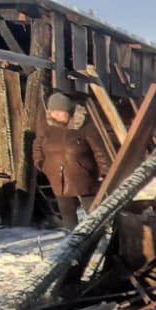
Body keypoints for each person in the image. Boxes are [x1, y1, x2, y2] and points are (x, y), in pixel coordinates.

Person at [32, 91, 99, 229]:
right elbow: (37, 147)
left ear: (69, 111)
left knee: (94, 213)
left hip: (83, 177)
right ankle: (71, 242)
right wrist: (42, 164)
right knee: (67, 215)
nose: (55, 115)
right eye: (52, 111)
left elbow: (99, 152)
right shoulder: (47, 129)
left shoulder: (84, 128)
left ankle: (100, 239)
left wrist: (104, 172)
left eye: (59, 111)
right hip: (58, 178)